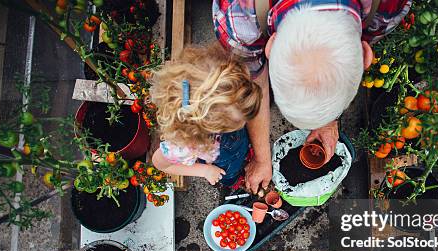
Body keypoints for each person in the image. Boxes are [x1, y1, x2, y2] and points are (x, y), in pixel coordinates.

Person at [213, 0, 412, 193]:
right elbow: (254, 85)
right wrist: (262, 159)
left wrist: (328, 121)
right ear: (366, 55)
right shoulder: (238, 17)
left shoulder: (389, 6)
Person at [150, 44, 262, 186]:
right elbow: (161, 164)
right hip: (223, 166)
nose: (247, 122)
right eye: (239, 121)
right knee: (230, 177)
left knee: (243, 145)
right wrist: (204, 171)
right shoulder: (183, 146)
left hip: (239, 145)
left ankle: (245, 154)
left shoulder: (226, 95)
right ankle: (234, 178)